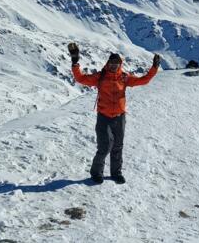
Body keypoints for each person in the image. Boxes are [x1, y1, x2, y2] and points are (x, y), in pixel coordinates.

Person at [68, 42, 160, 184]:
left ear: (120, 64)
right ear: (108, 63)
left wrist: (154, 68)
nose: (113, 65)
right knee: (105, 146)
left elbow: (144, 80)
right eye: (111, 62)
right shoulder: (100, 77)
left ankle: (116, 173)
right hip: (104, 117)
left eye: (116, 63)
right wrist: (75, 63)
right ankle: (96, 173)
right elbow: (80, 78)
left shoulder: (124, 77)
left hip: (119, 117)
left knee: (118, 146)